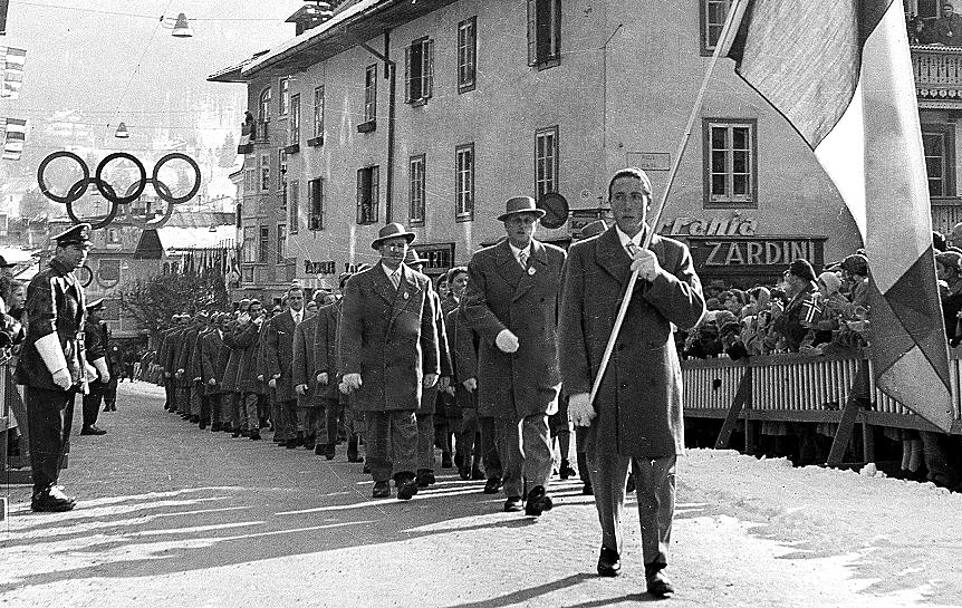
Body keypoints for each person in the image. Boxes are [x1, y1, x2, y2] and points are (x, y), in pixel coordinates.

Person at [559, 168, 706, 597]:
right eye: (619, 197)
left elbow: (692, 314)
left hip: (655, 383)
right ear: (609, 204)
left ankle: (655, 561)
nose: (627, 205)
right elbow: (569, 326)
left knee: (657, 473)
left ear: (649, 200)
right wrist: (577, 388)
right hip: (604, 382)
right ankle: (611, 538)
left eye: (635, 196)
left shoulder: (673, 252)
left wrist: (658, 276)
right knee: (606, 472)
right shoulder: (584, 255)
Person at [461, 196, 567, 516]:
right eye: (516, 221)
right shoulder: (484, 261)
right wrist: (497, 333)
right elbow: (473, 305)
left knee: (538, 422)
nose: (523, 226)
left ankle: (537, 488)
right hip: (501, 357)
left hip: (541, 356)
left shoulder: (556, 259)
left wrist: (565, 349)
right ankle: (512, 487)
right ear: (506, 225)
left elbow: (566, 309)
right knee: (507, 425)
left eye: (528, 220)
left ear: (537, 224)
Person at [338, 223, 439, 500]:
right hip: (373, 366)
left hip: (407, 364)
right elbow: (350, 329)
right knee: (378, 424)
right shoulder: (360, 283)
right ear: (380, 250)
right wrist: (349, 369)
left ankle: (405, 476)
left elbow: (429, 328)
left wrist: (433, 366)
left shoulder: (421, 283)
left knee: (406, 422)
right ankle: (381, 478)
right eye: (391, 245)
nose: (396, 250)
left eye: (401, 245)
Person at [16, 223, 100, 512]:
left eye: (85, 250)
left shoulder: (69, 281)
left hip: (61, 368)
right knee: (47, 431)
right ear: (60, 249)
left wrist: (82, 365)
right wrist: (57, 368)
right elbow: (42, 326)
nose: (82, 255)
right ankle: (43, 491)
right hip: (44, 372)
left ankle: (50, 484)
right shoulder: (46, 281)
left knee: (59, 431)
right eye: (77, 249)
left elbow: (73, 332)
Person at [403, 249, 453, 488]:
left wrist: (443, 370)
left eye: (421, 268)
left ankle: (424, 468)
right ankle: (406, 468)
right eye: (414, 267)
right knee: (404, 419)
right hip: (402, 368)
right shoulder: (396, 295)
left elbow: (439, 333)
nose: (419, 272)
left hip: (426, 367)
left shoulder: (431, 296)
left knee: (425, 419)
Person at [264, 287, 306, 448]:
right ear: (288, 301)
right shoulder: (278, 321)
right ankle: (291, 434)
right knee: (287, 403)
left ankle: (305, 432)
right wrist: (274, 370)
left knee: (305, 402)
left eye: (299, 298)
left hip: (305, 367)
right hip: (285, 369)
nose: (296, 301)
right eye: (293, 298)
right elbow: (271, 347)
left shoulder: (311, 318)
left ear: (304, 299)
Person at [80, 298, 111, 435]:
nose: (101, 314)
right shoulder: (91, 328)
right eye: (98, 311)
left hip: (91, 365)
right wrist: (103, 370)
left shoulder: (94, 326)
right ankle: (89, 424)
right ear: (91, 312)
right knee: (94, 396)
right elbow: (97, 349)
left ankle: (90, 423)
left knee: (92, 396)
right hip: (95, 366)